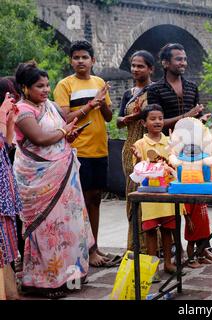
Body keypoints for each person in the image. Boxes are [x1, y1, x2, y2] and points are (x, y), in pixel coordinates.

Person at [13, 62, 94, 299]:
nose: (46, 90)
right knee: (46, 227)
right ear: (25, 88)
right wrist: (63, 133)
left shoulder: (50, 106)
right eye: (40, 86)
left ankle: (69, 276)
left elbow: (58, 134)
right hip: (38, 177)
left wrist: (68, 136)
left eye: (48, 85)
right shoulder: (21, 111)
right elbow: (39, 138)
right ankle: (40, 281)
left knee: (68, 224)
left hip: (63, 173)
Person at [147, 43, 212, 261]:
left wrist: (199, 119)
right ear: (165, 63)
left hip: (192, 150)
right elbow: (156, 121)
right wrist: (188, 115)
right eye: (178, 59)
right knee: (175, 203)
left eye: (184, 59)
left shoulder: (191, 86)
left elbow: (193, 121)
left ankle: (199, 247)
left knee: (197, 200)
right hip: (168, 149)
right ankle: (177, 250)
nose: (183, 63)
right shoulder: (155, 89)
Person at [53, 40, 115, 268]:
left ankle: (95, 246)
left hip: (100, 149)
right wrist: (91, 104)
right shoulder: (64, 85)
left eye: (84, 57)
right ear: (71, 61)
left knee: (95, 199)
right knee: (80, 201)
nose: (80, 61)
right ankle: (84, 248)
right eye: (76, 57)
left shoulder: (99, 82)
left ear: (93, 61)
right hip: (79, 150)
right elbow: (65, 119)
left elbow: (108, 117)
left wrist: (103, 101)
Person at [130, 104, 177, 274]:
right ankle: (152, 266)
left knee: (167, 228)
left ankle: (168, 263)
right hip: (149, 195)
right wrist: (138, 159)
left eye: (160, 118)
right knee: (150, 230)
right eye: (153, 119)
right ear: (143, 123)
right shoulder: (140, 144)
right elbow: (138, 171)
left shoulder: (170, 142)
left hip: (167, 193)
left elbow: (175, 165)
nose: (157, 122)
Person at [116, 50, 155, 253]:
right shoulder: (128, 94)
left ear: (150, 69)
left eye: (140, 66)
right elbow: (119, 121)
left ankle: (155, 246)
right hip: (131, 147)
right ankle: (136, 245)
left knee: (154, 194)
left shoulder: (155, 91)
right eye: (133, 65)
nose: (135, 69)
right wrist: (133, 117)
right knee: (134, 195)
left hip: (152, 147)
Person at [0, 83, 22, 300]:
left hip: (5, 191)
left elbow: (6, 144)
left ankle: (10, 291)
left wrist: (11, 121)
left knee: (6, 248)